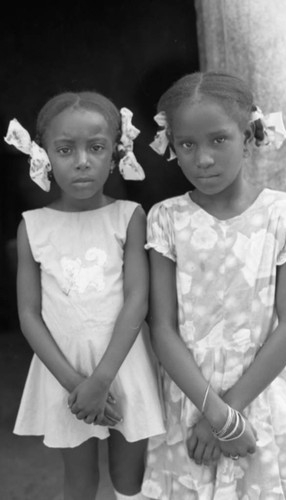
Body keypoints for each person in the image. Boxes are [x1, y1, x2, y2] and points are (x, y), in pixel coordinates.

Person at [141, 72, 286, 499]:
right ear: (172, 146)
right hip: (190, 398)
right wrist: (214, 415)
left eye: (218, 140)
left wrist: (228, 416)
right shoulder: (166, 219)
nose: (203, 158)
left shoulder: (284, 215)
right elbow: (163, 328)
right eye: (187, 144)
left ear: (247, 137)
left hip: (258, 397)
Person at [4, 91, 165, 500]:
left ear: (116, 153)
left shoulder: (129, 217)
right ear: (43, 155)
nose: (81, 161)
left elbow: (137, 302)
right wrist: (76, 383)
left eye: (96, 148)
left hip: (123, 367)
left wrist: (102, 379)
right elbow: (28, 313)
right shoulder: (33, 226)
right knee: (79, 482)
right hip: (64, 374)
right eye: (65, 149)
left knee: (129, 479)